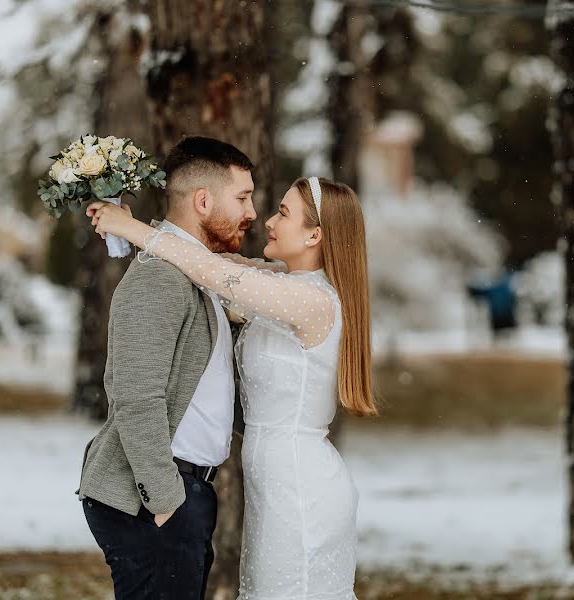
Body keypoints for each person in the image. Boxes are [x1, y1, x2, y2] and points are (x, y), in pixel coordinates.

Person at [87, 174, 377, 600]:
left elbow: (216, 273)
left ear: (315, 234)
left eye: (283, 212)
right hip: (273, 485)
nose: (267, 221)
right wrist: (140, 225)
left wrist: (131, 230)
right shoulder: (285, 285)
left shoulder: (312, 301)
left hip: (299, 487)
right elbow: (200, 258)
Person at [76, 135, 256, 599]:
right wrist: (166, 500)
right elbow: (136, 396)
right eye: (242, 197)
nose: (252, 212)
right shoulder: (160, 277)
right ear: (202, 200)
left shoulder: (195, 273)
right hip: (155, 497)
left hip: (178, 495)